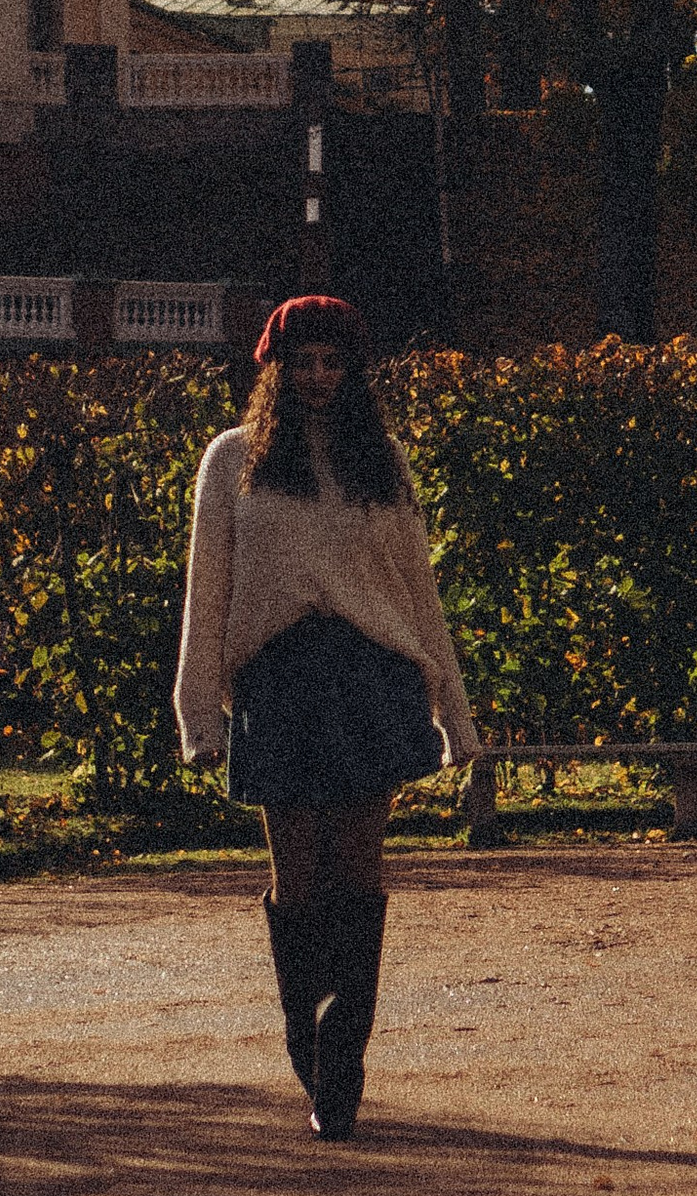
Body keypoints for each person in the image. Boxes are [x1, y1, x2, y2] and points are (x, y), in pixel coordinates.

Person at [174, 293, 479, 1138]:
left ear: (353, 373)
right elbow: (207, 594)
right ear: (273, 370)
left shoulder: (381, 463)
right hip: (278, 681)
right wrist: (197, 710)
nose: (316, 377)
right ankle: (303, 1042)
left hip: (371, 678)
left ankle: (344, 1056)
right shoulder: (232, 459)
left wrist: (455, 715)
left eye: (331, 363)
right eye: (300, 362)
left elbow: (418, 593)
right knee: (297, 875)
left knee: (360, 868)